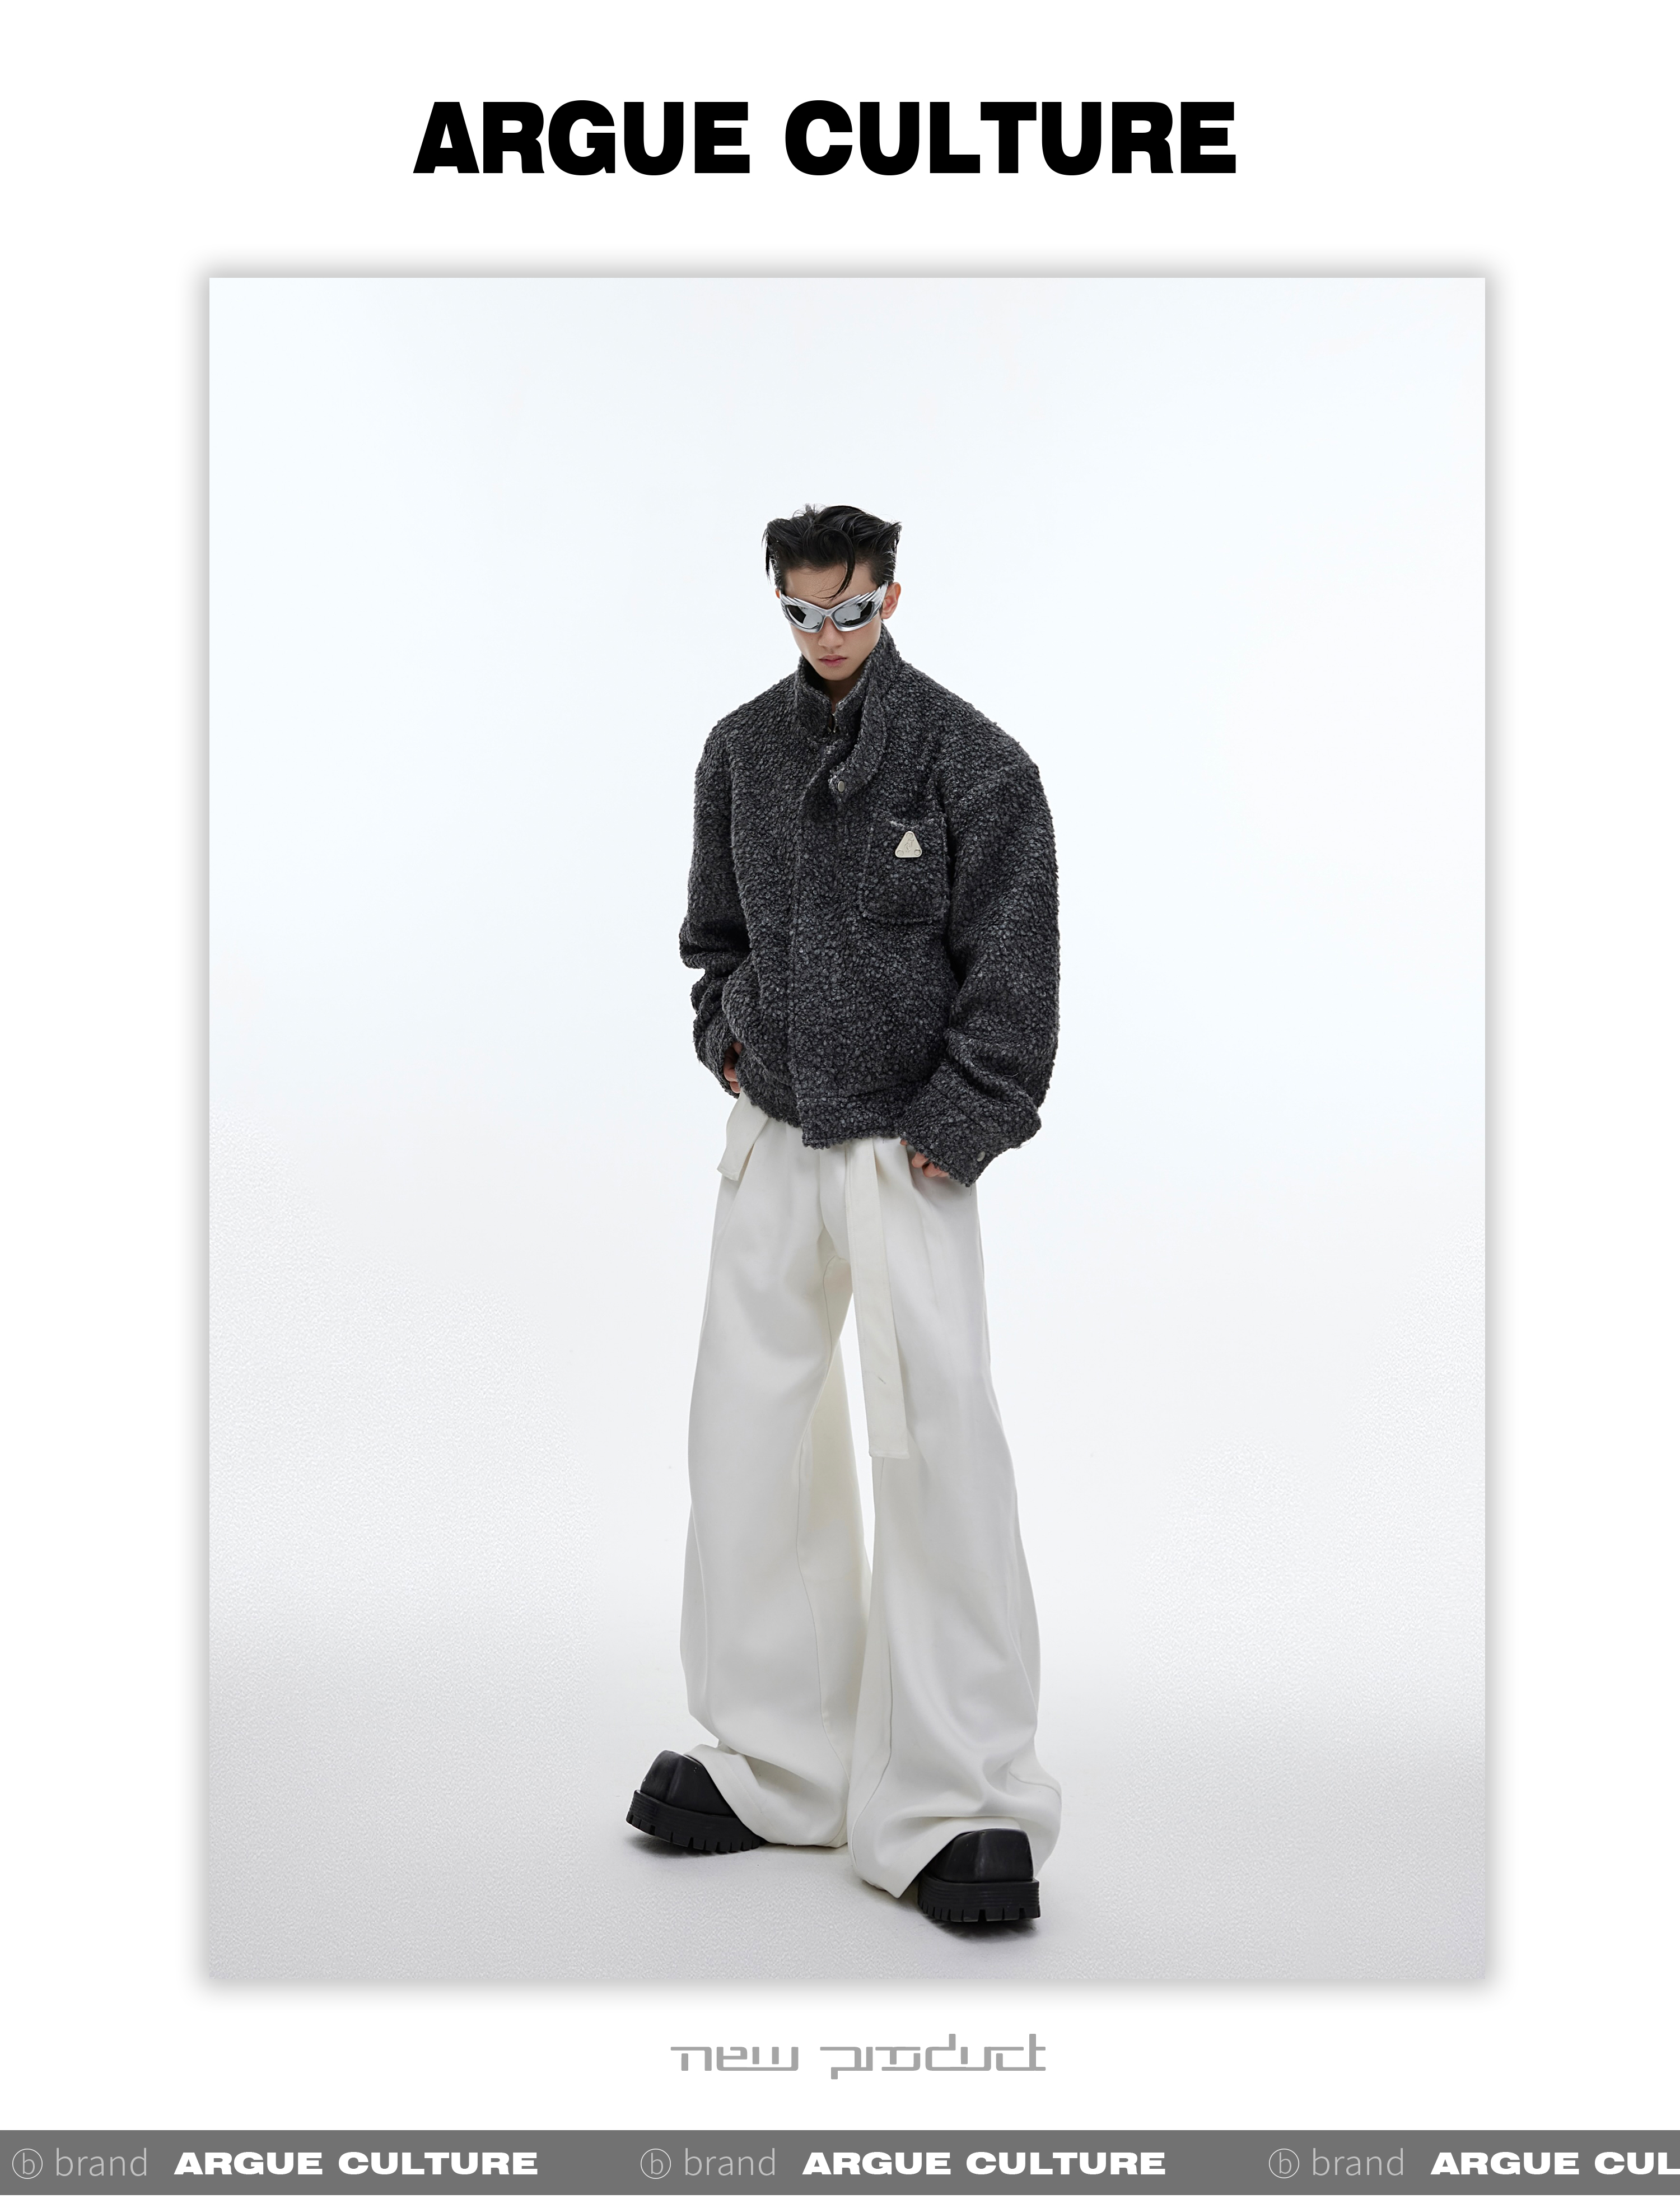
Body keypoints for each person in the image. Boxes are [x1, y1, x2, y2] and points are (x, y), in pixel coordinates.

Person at [626, 504, 1061, 1926]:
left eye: (851, 610)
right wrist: (728, 1038)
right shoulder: (739, 751)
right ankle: (781, 1761)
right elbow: (714, 938)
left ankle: (958, 1796)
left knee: (938, 1448)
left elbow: (1014, 965)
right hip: (775, 1133)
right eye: (803, 614)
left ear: (891, 597)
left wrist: (965, 1117)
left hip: (906, 1153)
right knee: (744, 1438)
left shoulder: (975, 763)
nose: (827, 636)